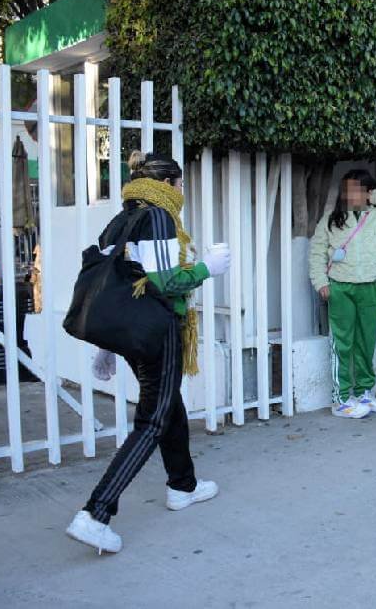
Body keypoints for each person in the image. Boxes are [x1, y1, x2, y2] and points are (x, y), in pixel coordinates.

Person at [65, 152, 231, 554]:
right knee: (153, 419)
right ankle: (95, 513)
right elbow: (161, 283)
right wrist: (207, 267)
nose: (183, 192)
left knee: (167, 404)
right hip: (159, 330)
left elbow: (115, 286)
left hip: (133, 332)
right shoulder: (159, 217)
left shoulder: (120, 220)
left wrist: (107, 346)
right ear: (170, 184)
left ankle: (183, 486)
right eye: (182, 184)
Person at [309, 170, 376, 418]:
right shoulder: (330, 219)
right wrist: (320, 282)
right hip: (340, 286)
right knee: (342, 343)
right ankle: (342, 399)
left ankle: (364, 392)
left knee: (366, 342)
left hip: (371, 285)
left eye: (357, 189)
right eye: (348, 189)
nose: (351, 195)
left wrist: (373, 194)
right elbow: (317, 253)